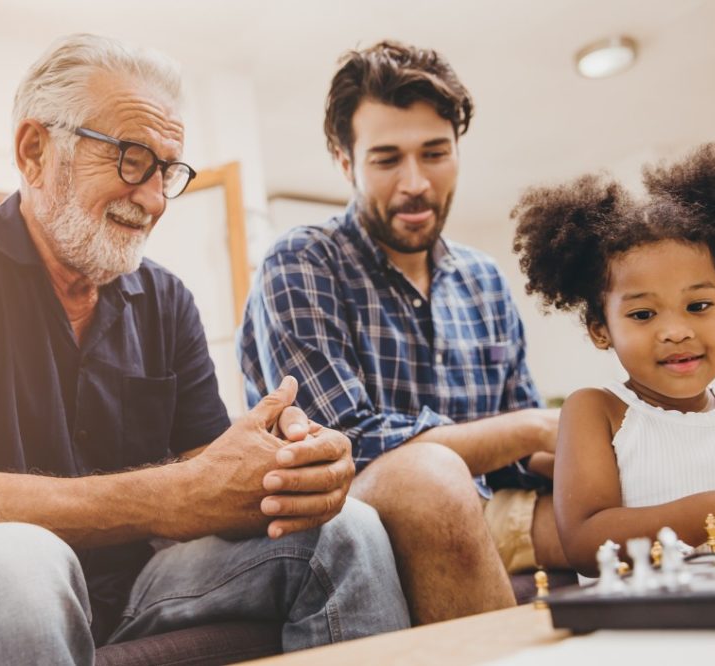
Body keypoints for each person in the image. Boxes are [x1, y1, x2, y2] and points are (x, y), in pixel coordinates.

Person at [0, 33, 409, 665]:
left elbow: (215, 480)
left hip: (138, 585)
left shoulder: (167, 300)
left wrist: (290, 470)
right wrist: (177, 492)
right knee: (18, 562)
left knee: (348, 530)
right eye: (133, 158)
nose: (155, 198)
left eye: (169, 171)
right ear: (34, 151)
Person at [238, 40, 568, 625]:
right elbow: (346, 445)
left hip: (489, 509)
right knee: (429, 478)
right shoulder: (301, 263)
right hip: (359, 517)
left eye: (434, 154)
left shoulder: (483, 279)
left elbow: (521, 458)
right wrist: (531, 426)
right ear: (347, 163)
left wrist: (607, 437)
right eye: (387, 159)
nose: (415, 182)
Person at [511, 141, 715, 577]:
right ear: (601, 330)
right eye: (643, 314)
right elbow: (585, 541)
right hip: (651, 635)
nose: (676, 330)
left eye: (698, 306)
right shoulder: (598, 412)